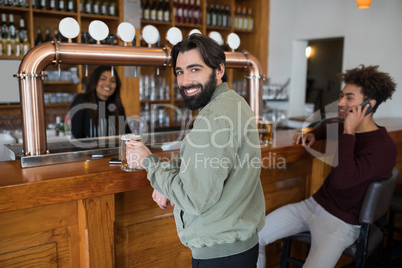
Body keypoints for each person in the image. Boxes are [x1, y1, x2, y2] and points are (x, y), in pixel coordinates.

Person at [125, 33, 265, 268]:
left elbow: (192, 198)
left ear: (219, 70)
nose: (185, 80)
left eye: (195, 69)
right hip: (239, 246)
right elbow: (206, 160)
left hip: (220, 255)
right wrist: (165, 181)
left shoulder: (215, 116)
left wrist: (149, 162)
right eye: (180, 72)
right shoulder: (233, 101)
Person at [257, 65, 397, 268]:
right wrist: (313, 133)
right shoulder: (343, 127)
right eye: (341, 96)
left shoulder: (383, 147)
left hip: (341, 224)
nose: (340, 102)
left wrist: (349, 132)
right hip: (312, 205)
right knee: (254, 237)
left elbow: (342, 181)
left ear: (369, 105)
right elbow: (329, 126)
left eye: (349, 98)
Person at [69, 65, 129, 138]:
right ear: (94, 81)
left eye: (112, 81)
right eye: (103, 79)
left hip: (114, 149)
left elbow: (127, 133)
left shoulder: (117, 106)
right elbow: (77, 135)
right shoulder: (81, 101)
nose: (108, 83)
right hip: (87, 149)